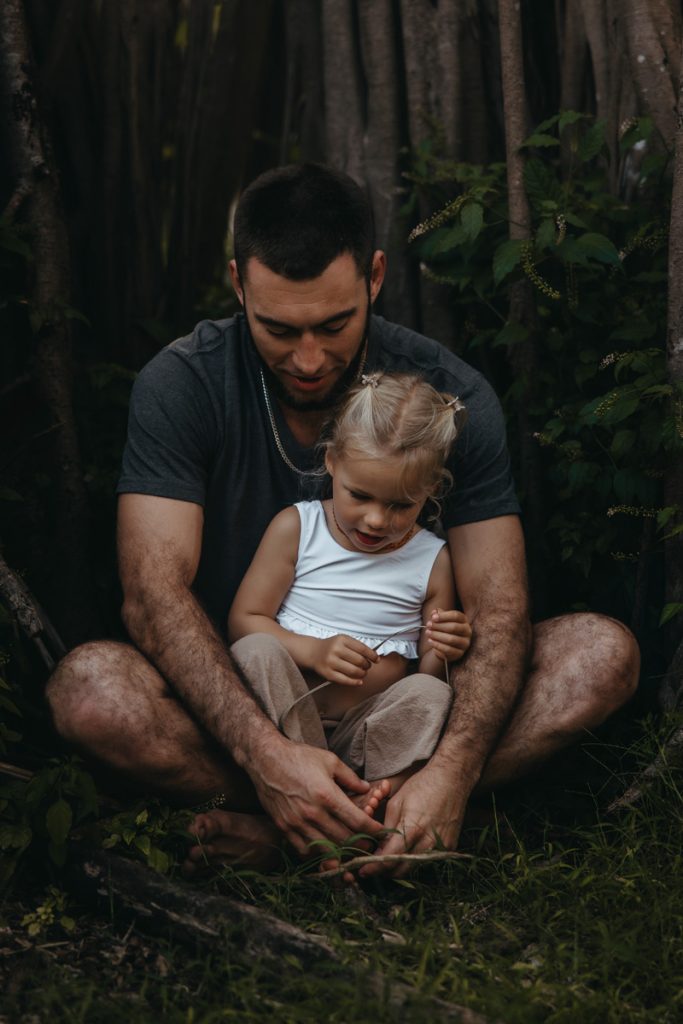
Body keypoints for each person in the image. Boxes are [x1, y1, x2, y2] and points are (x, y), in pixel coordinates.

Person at [45, 162, 640, 878]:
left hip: (396, 714)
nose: (307, 358)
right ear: (238, 284)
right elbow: (153, 595)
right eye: (277, 328)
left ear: (375, 277)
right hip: (240, 705)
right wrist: (268, 759)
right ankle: (359, 823)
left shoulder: (449, 397)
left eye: (334, 325)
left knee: (600, 656)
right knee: (90, 691)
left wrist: (449, 768)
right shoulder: (182, 384)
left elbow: (499, 606)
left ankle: (340, 824)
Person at [225, 372, 473, 830]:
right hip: (283, 723)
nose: (377, 520)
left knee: (430, 693)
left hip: (366, 734)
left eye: (401, 505)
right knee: (255, 651)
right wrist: (314, 652)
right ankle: (315, 792)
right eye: (360, 496)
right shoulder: (299, 529)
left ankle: (372, 798)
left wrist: (446, 645)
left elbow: (427, 672)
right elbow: (244, 619)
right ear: (332, 461)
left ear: (431, 490)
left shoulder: (432, 559)